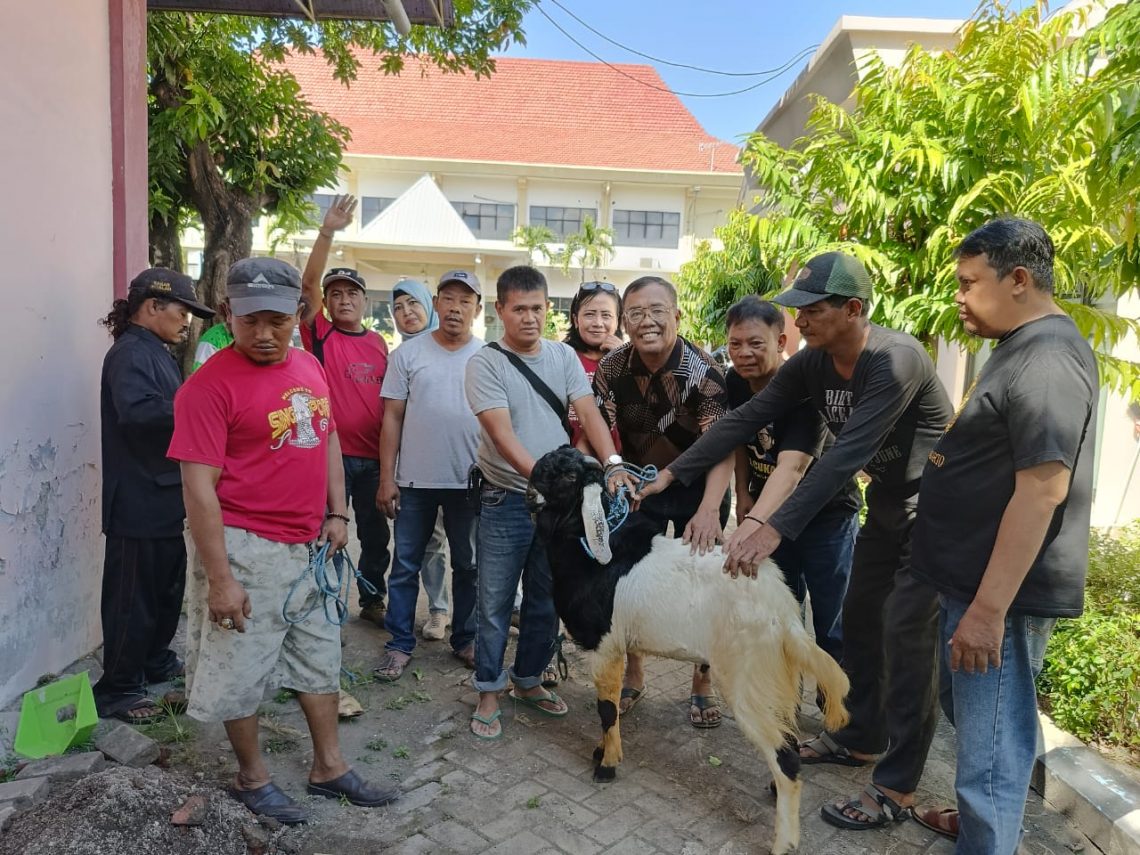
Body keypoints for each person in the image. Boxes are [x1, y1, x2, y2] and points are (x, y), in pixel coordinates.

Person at [638, 252, 954, 828]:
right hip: (888, 508)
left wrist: (768, 526)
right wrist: (673, 473)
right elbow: (740, 421)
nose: (798, 322)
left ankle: (897, 789)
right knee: (858, 623)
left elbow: (841, 460)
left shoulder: (894, 360)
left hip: (933, 512)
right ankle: (859, 737)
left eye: (811, 310)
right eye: (797, 311)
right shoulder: (812, 365)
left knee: (908, 644)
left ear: (853, 309)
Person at [170, 257, 397, 824]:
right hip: (244, 547)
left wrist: (337, 513)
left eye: (278, 320)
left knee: (320, 658)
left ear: (299, 313)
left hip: (310, 548)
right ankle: (253, 778)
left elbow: (326, 440)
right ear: (227, 314)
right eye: (251, 322)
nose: (265, 334)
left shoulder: (309, 366)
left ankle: (329, 767)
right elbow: (199, 493)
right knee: (240, 665)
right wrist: (221, 578)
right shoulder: (207, 387)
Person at [907, 219, 1098, 853]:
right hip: (971, 581)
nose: (958, 297)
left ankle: (987, 838)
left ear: (1018, 280)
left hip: (999, 597)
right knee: (992, 726)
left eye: (969, 283)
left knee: (992, 742)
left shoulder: (1047, 359)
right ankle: (986, 823)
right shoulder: (1019, 345)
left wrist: (988, 612)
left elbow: (1043, 489)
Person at [464, 265, 633, 740]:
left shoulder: (562, 357)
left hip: (557, 507)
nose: (530, 318)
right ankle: (489, 691)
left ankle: (529, 679)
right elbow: (501, 436)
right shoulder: (485, 363)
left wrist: (614, 461)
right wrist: (543, 482)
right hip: (507, 501)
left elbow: (589, 414)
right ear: (500, 310)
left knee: (545, 599)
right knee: (495, 601)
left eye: (538, 308)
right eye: (519, 309)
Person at [593, 275, 733, 728]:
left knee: (706, 581)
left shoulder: (704, 371)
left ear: (676, 315)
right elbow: (594, 428)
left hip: (697, 487)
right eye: (635, 313)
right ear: (624, 320)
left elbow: (721, 446)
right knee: (631, 579)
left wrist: (711, 509)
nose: (646, 321)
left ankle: (702, 680)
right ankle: (634, 673)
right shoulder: (612, 367)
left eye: (657, 311)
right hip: (638, 486)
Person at [95, 268, 214, 722]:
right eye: (182, 312)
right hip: (137, 501)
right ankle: (118, 690)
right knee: (132, 601)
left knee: (166, 592)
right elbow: (138, 412)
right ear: (152, 307)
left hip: (163, 495)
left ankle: (153, 661)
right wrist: (197, 408)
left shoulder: (157, 351)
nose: (188, 322)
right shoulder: (129, 353)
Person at [723, 296, 861, 664]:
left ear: (780, 342)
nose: (744, 353)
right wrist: (742, 492)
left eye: (756, 343)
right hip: (769, 513)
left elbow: (792, 470)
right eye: (735, 344)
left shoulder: (804, 385)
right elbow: (737, 437)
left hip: (826, 516)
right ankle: (786, 703)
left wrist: (749, 524)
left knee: (832, 621)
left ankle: (837, 707)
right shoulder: (734, 382)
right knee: (780, 613)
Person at [374, 270, 483, 681]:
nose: (456, 307)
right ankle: (399, 644)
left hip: (469, 483)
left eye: (465, 300)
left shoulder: (487, 355)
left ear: (476, 309)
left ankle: (466, 639)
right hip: (415, 482)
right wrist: (388, 478)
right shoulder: (408, 354)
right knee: (404, 565)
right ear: (437, 304)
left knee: (468, 566)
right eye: (448, 299)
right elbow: (392, 419)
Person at [299, 194, 391, 625]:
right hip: (331, 456)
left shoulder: (378, 344)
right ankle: (329, 605)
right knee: (331, 532)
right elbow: (307, 286)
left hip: (374, 459)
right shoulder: (319, 334)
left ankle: (372, 599)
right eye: (334, 294)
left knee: (376, 536)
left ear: (363, 301)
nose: (343, 300)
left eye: (351, 293)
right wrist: (327, 230)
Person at [389, 277, 451, 641]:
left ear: (429, 305)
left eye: (413, 303)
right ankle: (439, 610)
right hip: (416, 470)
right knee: (428, 543)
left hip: (462, 468)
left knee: (473, 547)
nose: (406, 313)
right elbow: (392, 417)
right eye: (397, 307)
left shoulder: (461, 348)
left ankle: (506, 608)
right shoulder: (398, 358)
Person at [563, 280, 624, 448]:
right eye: (589, 314)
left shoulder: (633, 358)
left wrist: (624, 359)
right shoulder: (562, 358)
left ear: (618, 320)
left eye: (606, 315)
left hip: (620, 462)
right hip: (569, 458)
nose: (598, 323)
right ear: (575, 320)